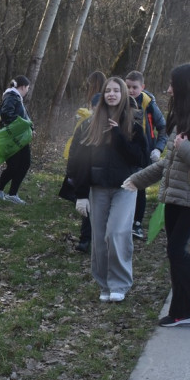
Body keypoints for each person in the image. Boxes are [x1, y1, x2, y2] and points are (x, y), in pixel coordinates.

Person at [124, 63, 190, 327]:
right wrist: (137, 180)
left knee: (176, 250)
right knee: (174, 253)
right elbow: (167, 162)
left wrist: (186, 150)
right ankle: (181, 310)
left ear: (184, 87)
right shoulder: (181, 118)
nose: (169, 90)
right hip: (174, 196)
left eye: (173, 85)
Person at [66, 77, 148, 303]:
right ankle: (104, 284)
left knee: (116, 233)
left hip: (125, 187)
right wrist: (81, 195)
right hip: (98, 187)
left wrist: (119, 135)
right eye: (108, 91)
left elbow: (140, 158)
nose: (111, 94)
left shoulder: (133, 124)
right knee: (100, 238)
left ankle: (119, 283)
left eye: (116, 90)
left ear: (123, 94)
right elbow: (79, 161)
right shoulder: (89, 125)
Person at [124, 71, 167, 240]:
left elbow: (163, 128)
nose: (131, 90)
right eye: (127, 86)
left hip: (143, 153)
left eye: (134, 87)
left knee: (138, 186)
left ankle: (137, 223)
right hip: (123, 151)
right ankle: (123, 220)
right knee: (123, 185)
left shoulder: (149, 105)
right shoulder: (119, 101)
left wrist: (158, 148)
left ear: (142, 87)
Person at [70, 71, 107, 253]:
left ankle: (101, 241)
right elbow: (75, 151)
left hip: (107, 177)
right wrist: (72, 173)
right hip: (89, 173)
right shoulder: (85, 125)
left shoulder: (113, 126)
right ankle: (85, 239)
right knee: (88, 207)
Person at [0, 76, 32, 204]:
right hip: (13, 138)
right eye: (28, 88)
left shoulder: (17, 98)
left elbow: (23, 116)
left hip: (21, 138)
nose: (28, 90)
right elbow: (7, 115)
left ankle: (12, 194)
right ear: (23, 87)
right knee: (13, 166)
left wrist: (31, 128)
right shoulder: (11, 96)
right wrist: (22, 126)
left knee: (25, 163)